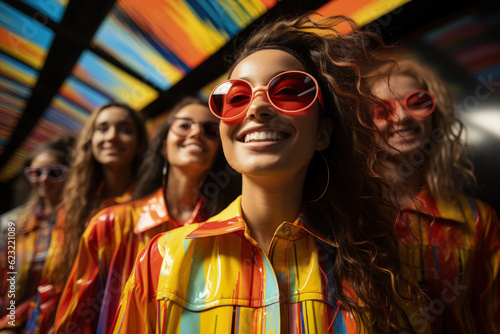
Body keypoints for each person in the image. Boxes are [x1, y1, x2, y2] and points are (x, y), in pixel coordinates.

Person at [110, 15, 430, 334]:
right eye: (236, 97)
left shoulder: (378, 266)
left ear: (323, 132)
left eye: (290, 91)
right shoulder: (161, 260)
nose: (257, 108)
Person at [54, 97, 241, 334]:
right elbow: (74, 321)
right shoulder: (110, 225)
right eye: (184, 125)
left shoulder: (227, 234)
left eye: (210, 130)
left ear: (218, 151)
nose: (196, 133)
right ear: (163, 144)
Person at [371, 59, 500, 333]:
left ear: (435, 116)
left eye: (416, 102)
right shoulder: (340, 214)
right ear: (361, 127)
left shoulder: (478, 220)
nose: (402, 117)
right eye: (382, 109)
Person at [22, 102, 148, 334]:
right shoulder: (72, 209)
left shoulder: (154, 206)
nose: (111, 136)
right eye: (102, 128)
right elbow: (55, 280)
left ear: (140, 143)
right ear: (90, 141)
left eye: (125, 129)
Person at [0, 136, 74, 332]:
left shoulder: (79, 223)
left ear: (70, 175)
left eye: (54, 172)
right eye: (36, 172)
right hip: (13, 320)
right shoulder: (13, 224)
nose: (43, 179)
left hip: (59, 321)